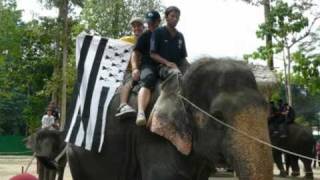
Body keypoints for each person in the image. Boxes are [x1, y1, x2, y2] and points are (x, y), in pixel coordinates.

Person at [133, 10, 162, 126]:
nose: (150, 25)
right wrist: (135, 68)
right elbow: (135, 53)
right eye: (148, 22)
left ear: (158, 22)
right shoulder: (144, 36)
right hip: (148, 65)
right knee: (149, 79)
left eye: (153, 22)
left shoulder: (164, 34)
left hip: (163, 66)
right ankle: (141, 112)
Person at [115, 17, 144, 119]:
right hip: (129, 70)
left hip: (144, 70)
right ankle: (122, 105)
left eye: (139, 26)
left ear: (143, 27)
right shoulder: (125, 40)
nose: (136, 28)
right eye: (134, 26)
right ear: (132, 28)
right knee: (129, 80)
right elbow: (113, 47)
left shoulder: (147, 40)